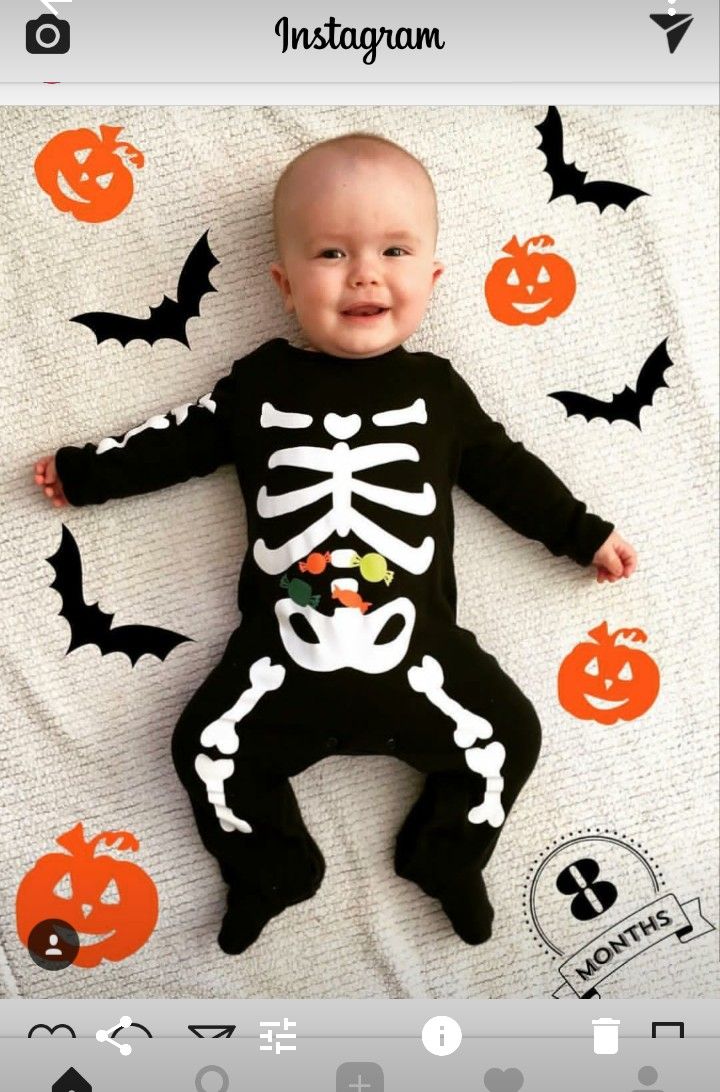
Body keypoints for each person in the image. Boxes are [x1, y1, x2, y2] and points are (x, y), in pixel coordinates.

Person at [34, 132, 637, 955]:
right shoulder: (258, 386)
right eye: (330, 252)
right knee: (205, 750)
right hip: (279, 658)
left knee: (510, 737)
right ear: (283, 284)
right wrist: (88, 472)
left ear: (432, 278)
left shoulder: (438, 391)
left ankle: (442, 854)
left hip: (423, 663)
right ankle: (273, 867)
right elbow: (174, 441)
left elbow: (506, 471)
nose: (364, 273)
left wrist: (582, 532)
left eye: (394, 249)